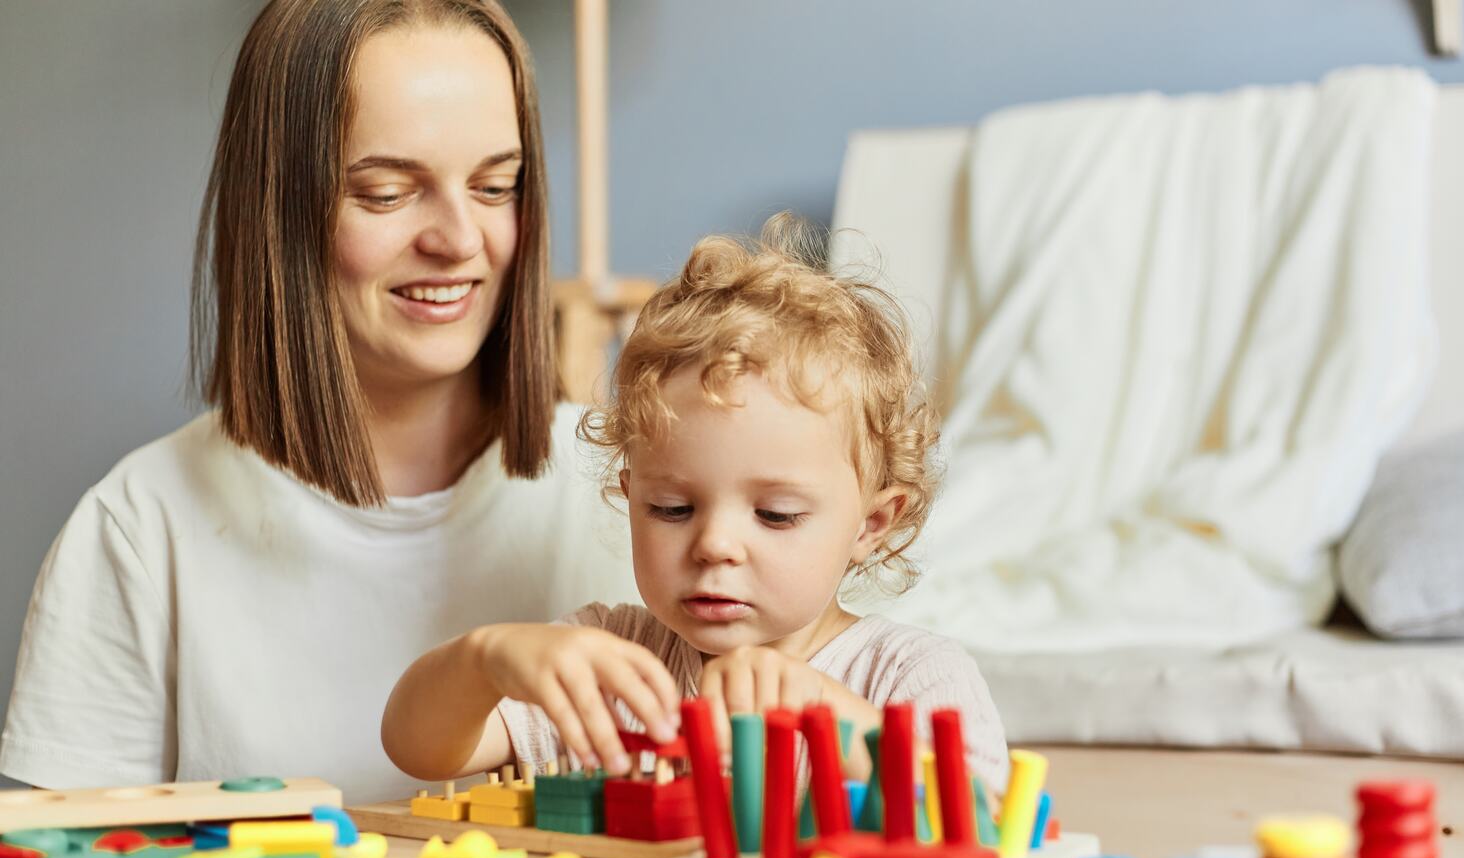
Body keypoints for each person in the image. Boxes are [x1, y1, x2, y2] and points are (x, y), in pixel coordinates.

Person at [0, 0, 639, 806]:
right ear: (280, 212)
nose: (459, 239)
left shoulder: (638, 495)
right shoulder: (138, 529)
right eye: (385, 193)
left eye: (494, 185)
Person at [383, 215, 1010, 791]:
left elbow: (981, 823)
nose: (714, 544)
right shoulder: (610, 661)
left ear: (871, 523)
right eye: (672, 509)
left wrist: (832, 719)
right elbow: (419, 749)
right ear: (631, 499)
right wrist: (484, 660)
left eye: (775, 515)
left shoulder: (908, 677)